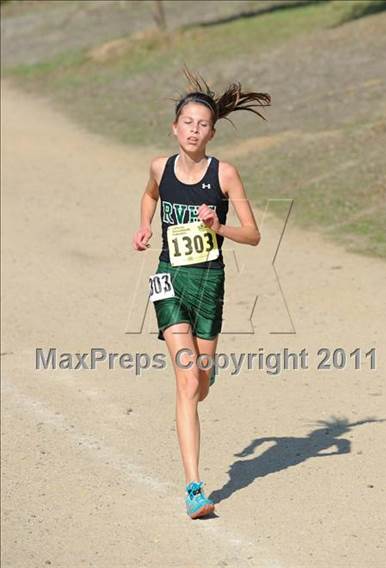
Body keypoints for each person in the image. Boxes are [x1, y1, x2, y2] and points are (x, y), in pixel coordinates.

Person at [132, 66, 271, 519]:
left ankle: (195, 387)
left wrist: (219, 225)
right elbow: (150, 195)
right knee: (187, 380)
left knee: (201, 385)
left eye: (202, 124)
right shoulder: (160, 166)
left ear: (212, 131)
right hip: (168, 279)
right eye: (187, 122)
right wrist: (143, 226)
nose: (194, 130)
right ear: (175, 128)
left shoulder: (225, 174)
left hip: (209, 284)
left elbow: (253, 235)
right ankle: (194, 488)